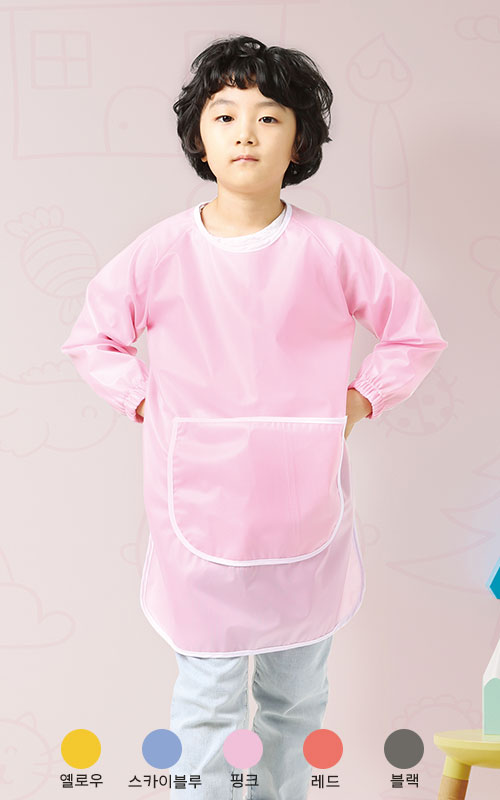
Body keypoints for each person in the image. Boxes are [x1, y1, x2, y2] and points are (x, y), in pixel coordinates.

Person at [60, 34, 448, 800]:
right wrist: (146, 399)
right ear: (198, 136)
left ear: (299, 141)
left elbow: (414, 335)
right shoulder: (162, 253)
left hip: (303, 516)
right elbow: (93, 338)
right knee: (207, 707)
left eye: (269, 117)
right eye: (226, 114)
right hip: (199, 519)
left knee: (295, 707)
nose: (246, 132)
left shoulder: (333, 253)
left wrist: (359, 400)